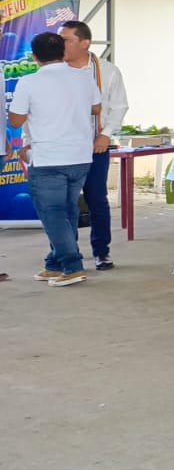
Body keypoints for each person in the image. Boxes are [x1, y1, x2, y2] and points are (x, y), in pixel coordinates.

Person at [8, 32, 100, 286]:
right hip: (80, 157)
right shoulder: (84, 77)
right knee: (67, 210)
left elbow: (15, 120)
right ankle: (54, 263)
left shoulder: (29, 82)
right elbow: (96, 108)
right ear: (63, 52)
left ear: (34, 56)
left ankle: (72, 266)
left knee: (53, 215)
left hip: (49, 158)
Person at [61, 20, 128, 271]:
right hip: (64, 147)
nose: (61, 45)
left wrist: (106, 135)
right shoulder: (55, 71)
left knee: (96, 199)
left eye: (67, 40)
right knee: (65, 202)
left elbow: (119, 106)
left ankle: (102, 251)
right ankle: (68, 253)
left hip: (95, 146)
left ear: (84, 43)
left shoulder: (107, 71)